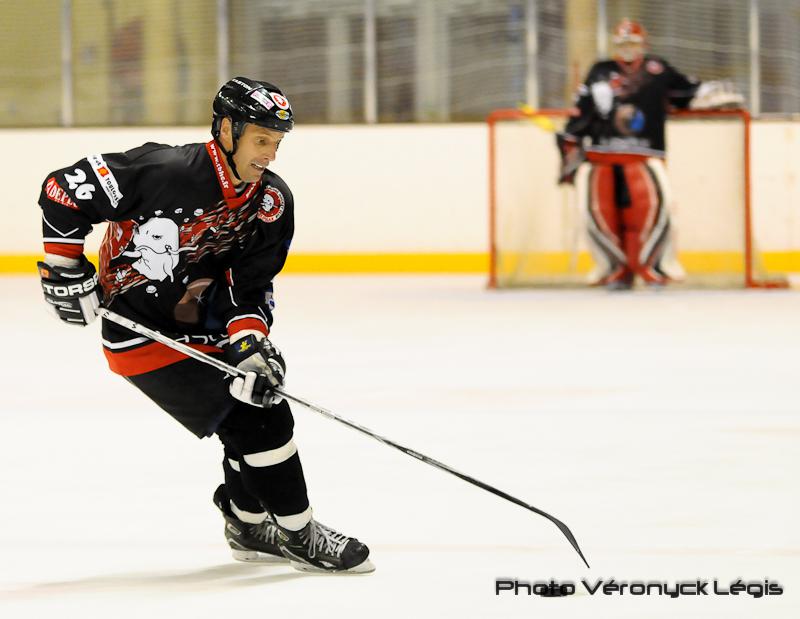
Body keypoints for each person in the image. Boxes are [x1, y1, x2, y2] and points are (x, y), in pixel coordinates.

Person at [35, 77, 374, 574]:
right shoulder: (165, 170)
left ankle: (248, 523)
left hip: (205, 326)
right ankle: (300, 535)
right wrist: (64, 268)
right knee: (259, 419)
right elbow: (63, 190)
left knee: (255, 401)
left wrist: (248, 342)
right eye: (261, 140)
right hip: (140, 330)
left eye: (277, 143)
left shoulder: (271, 201)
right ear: (227, 129)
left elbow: (249, 285)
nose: (269, 155)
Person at [556, 18, 742, 290]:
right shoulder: (600, 71)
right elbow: (581, 111)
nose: (628, 48)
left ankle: (652, 268)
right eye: (622, 43)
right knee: (599, 214)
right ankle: (613, 270)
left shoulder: (658, 69)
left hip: (645, 154)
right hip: (601, 156)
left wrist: (709, 94)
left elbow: (687, 92)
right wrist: (570, 139)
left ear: (644, 43)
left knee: (653, 212)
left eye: (633, 42)